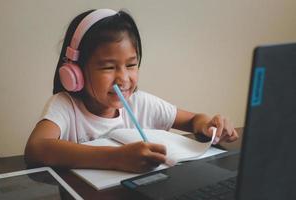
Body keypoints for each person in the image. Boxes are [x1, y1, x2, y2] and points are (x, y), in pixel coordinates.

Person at [25, 9, 238, 173]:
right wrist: (116, 157)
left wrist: (208, 125)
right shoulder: (65, 106)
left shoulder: (141, 103)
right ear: (74, 72)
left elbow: (193, 120)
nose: (123, 78)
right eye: (108, 67)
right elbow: (36, 148)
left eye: (131, 65)